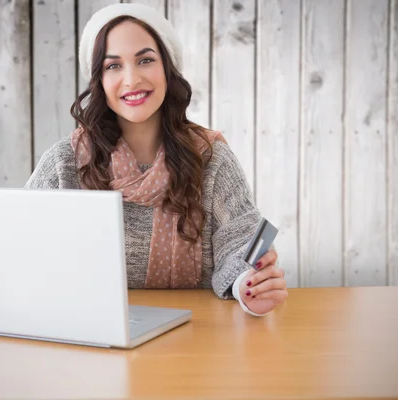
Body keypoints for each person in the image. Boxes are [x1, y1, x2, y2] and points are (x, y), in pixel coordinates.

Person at [25, 3, 287, 316]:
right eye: (113, 66)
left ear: (168, 68)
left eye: (145, 60)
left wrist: (250, 283)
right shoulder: (64, 162)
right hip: (92, 332)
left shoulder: (211, 157)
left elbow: (239, 242)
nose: (132, 79)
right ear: (99, 80)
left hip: (196, 337)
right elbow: (22, 246)